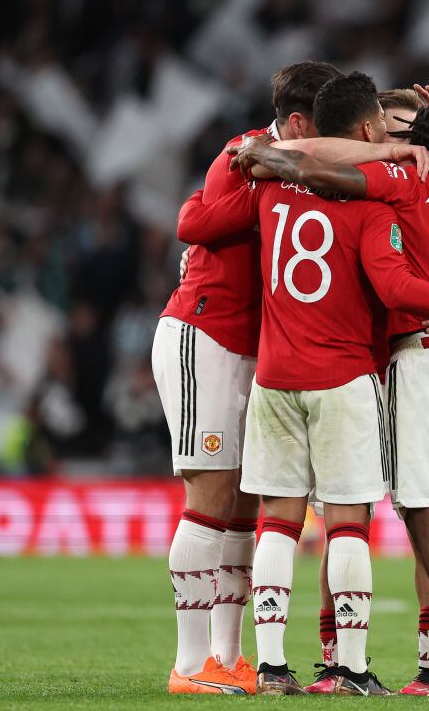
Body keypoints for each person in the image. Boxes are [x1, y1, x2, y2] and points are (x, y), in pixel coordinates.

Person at [180, 71, 429, 696]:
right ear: (370, 129)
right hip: (368, 369)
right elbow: (406, 287)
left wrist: (254, 160)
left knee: (281, 520)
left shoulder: (279, 184)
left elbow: (203, 215)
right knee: (399, 515)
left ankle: (271, 665)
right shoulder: (402, 202)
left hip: (282, 371)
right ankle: (371, 662)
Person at [152, 60, 340, 696]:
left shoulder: (284, 166)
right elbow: (193, 224)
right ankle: (187, 665)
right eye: (329, 121)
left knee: (237, 506)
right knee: (208, 500)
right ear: (297, 121)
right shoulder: (243, 152)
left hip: (246, 350)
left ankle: (229, 658)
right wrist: (259, 179)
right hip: (202, 336)